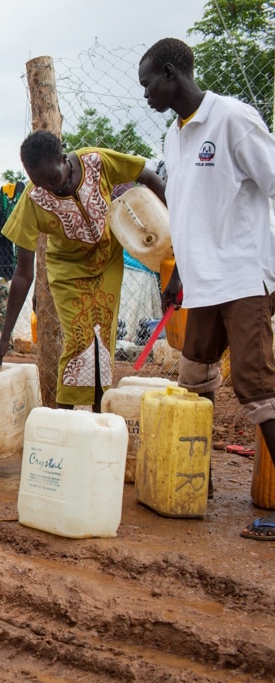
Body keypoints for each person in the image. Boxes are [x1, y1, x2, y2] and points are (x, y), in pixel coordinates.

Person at [139, 38, 275, 541]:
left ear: (172, 73)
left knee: (257, 388)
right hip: (201, 284)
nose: (146, 94)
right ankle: (197, 479)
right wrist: (177, 274)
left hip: (242, 277)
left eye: (148, 82)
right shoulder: (175, 137)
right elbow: (186, 210)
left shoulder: (233, 119)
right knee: (194, 380)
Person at [0, 130, 166, 411]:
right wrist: (4, 338)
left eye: (53, 178)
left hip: (107, 262)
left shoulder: (97, 162)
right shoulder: (33, 201)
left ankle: (97, 416)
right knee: (80, 338)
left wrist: (174, 218)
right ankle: (63, 420)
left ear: (62, 158)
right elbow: (23, 274)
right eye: (38, 182)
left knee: (102, 342)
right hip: (67, 271)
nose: (48, 187)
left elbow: (146, 174)